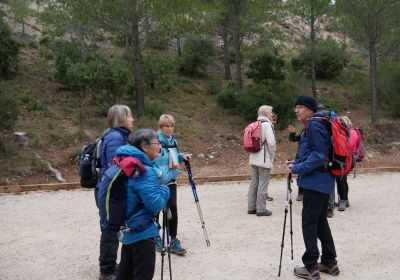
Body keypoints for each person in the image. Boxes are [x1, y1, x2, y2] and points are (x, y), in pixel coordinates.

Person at [286, 96, 339, 280]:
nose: (297, 110)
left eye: (300, 107)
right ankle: (329, 262)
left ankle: (311, 267)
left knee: (309, 223)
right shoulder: (315, 124)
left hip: (315, 183)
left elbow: (318, 156)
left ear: (310, 109)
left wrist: (297, 168)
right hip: (322, 182)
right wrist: (297, 162)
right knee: (321, 222)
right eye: (295, 108)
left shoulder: (314, 125)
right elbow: (311, 152)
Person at [115, 129, 170, 280]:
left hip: (128, 228)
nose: (159, 147)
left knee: (124, 274)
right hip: (142, 231)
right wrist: (165, 189)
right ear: (145, 147)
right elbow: (156, 205)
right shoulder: (143, 170)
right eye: (157, 143)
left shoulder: (126, 162)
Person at [95, 104, 134, 280]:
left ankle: (110, 265)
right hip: (111, 190)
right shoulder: (116, 138)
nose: (132, 119)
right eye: (129, 116)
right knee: (110, 228)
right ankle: (107, 271)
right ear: (120, 119)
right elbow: (117, 168)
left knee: (112, 227)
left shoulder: (115, 135)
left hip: (111, 189)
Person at [154, 114, 191, 255]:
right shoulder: (155, 141)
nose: (169, 129)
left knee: (172, 208)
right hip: (157, 182)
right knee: (156, 209)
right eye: (166, 126)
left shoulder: (173, 141)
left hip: (171, 181)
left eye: (171, 126)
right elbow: (150, 160)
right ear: (161, 127)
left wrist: (183, 157)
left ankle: (173, 239)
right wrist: (158, 173)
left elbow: (174, 157)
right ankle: (155, 237)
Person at [247, 105, 276, 217]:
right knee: (263, 184)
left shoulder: (254, 124)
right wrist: (272, 156)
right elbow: (271, 143)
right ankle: (261, 209)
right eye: (271, 112)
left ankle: (251, 207)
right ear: (266, 113)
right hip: (264, 159)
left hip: (253, 157)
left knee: (254, 183)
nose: (272, 114)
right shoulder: (267, 125)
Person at [336, 116, 357, 211]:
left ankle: (344, 200)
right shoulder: (342, 132)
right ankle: (344, 200)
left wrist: (339, 139)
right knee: (340, 179)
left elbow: (348, 145)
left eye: (342, 122)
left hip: (348, 159)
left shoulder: (352, 132)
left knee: (342, 179)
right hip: (341, 159)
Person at [287, 123, 304, 201]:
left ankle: (306, 193)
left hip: (308, 157)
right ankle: (300, 192)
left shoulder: (313, 132)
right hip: (300, 157)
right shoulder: (303, 131)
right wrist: (292, 132)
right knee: (300, 175)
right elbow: (293, 139)